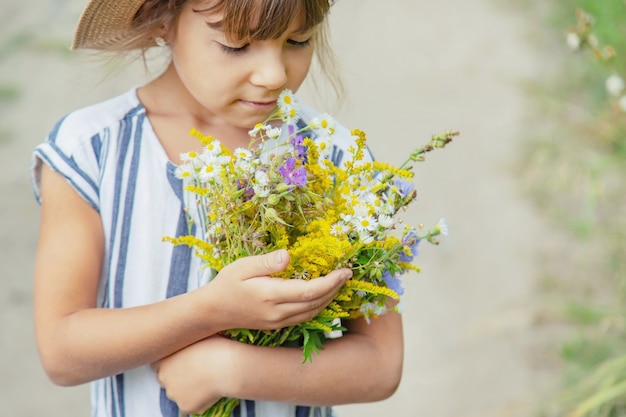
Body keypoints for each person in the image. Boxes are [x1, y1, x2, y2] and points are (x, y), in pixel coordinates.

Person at [30, 1, 404, 416]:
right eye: (235, 45)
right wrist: (212, 309)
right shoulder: (92, 150)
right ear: (162, 20)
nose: (274, 75)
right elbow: (61, 351)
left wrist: (232, 369)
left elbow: (381, 363)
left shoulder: (336, 159)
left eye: (298, 41)